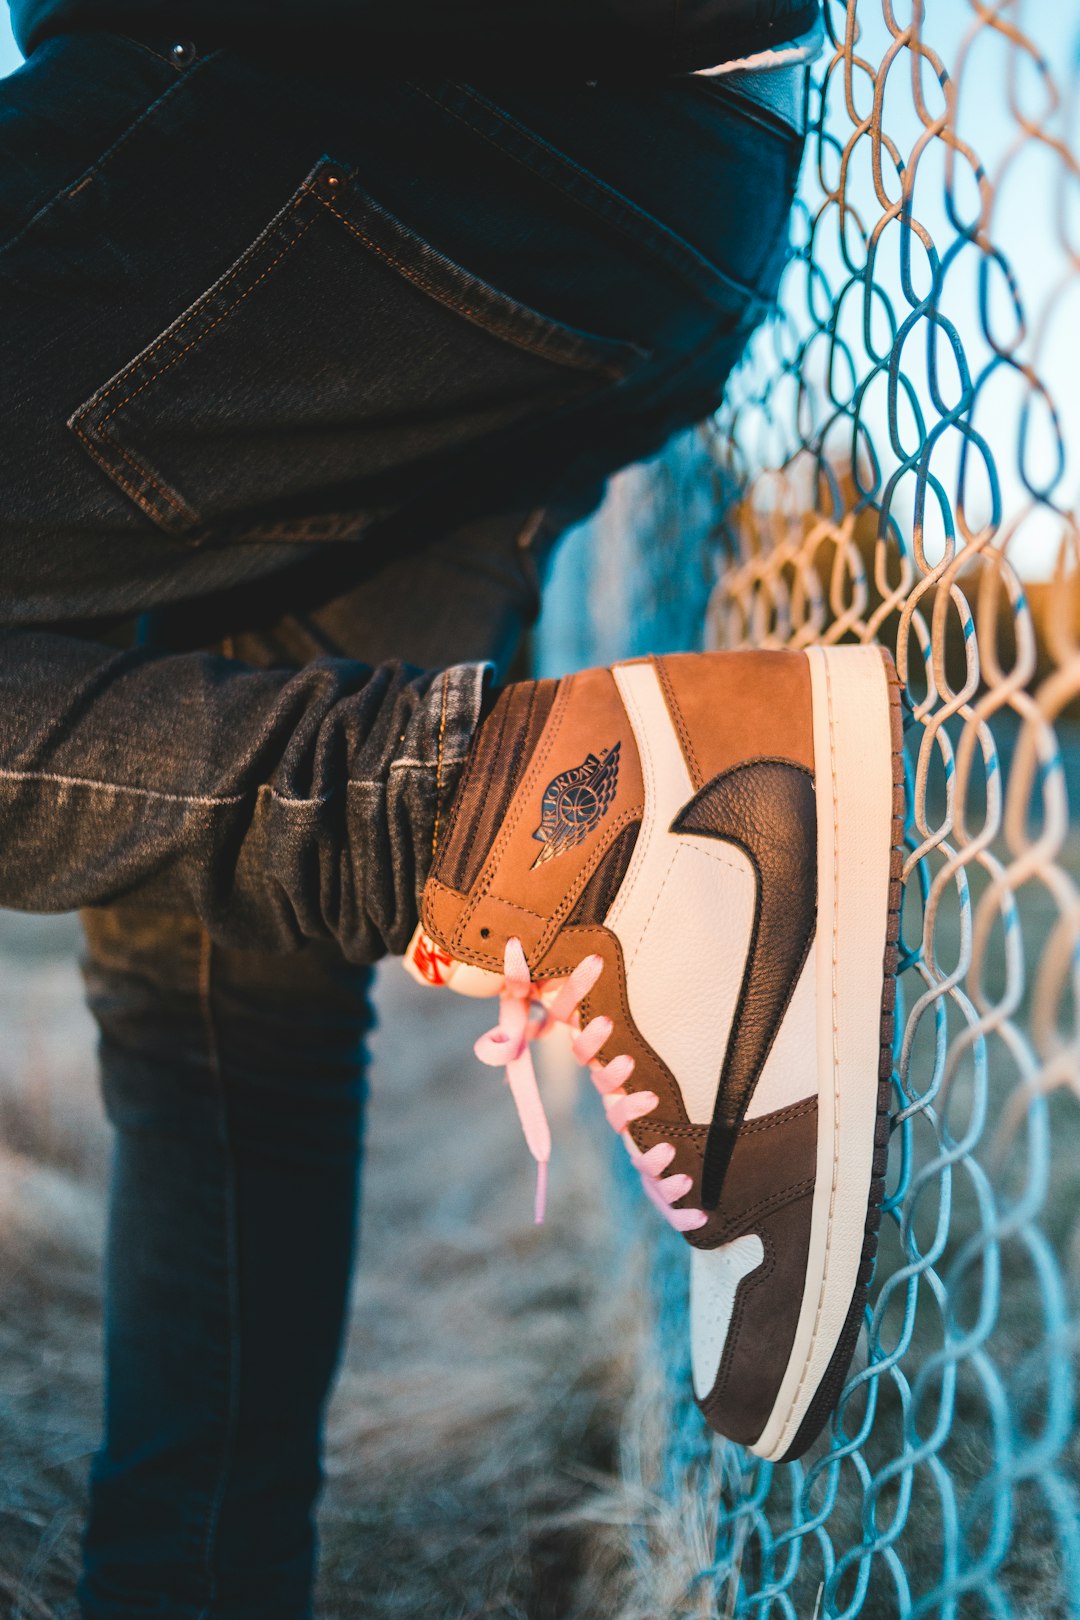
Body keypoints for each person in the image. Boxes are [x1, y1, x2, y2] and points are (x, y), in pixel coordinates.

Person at [0, 4, 899, 1616]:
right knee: (220, 972)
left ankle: (547, 825)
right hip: (664, 177)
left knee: (251, 941)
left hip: (337, 113)